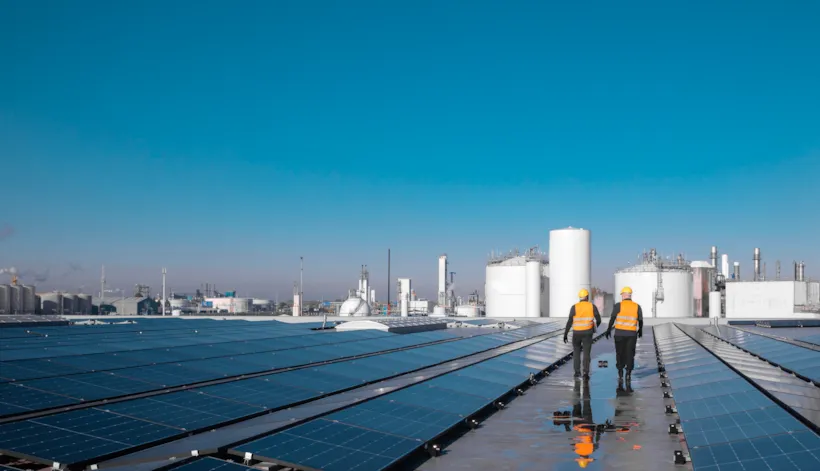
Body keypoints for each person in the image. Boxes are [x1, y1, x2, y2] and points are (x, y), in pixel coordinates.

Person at [605, 286, 644, 382]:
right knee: (630, 354)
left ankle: (620, 372)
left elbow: (612, 318)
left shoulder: (618, 305)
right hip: (631, 334)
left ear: (624, 295)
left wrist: (609, 329)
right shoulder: (637, 306)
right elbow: (640, 320)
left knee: (620, 353)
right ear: (630, 295)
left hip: (619, 334)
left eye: (622, 294)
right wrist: (640, 330)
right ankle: (628, 373)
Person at [564, 289, 602, 380]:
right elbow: (599, 319)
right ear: (587, 297)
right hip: (588, 333)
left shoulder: (574, 307)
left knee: (576, 352)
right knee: (586, 353)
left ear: (579, 297)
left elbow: (570, 321)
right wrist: (594, 326)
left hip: (576, 333)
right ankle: (585, 372)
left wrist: (565, 334)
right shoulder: (592, 306)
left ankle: (577, 373)